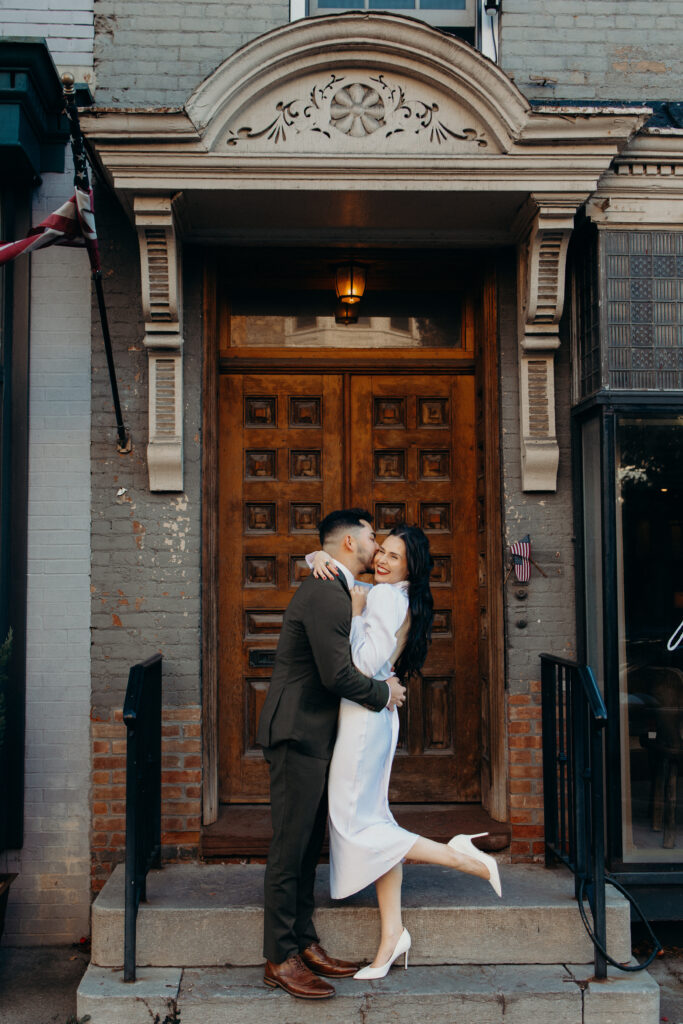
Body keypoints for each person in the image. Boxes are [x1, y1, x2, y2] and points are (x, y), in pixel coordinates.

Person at [310, 524, 502, 980]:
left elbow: (361, 665)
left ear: (408, 567)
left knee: (353, 823)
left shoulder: (380, 598)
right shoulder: (400, 596)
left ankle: (459, 855)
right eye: (383, 552)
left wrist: (355, 613)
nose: (382, 560)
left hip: (362, 718)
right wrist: (314, 556)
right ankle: (392, 934)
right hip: (375, 718)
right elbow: (337, 571)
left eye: (394, 557)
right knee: (373, 821)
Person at [256, 509, 407, 1000]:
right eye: (370, 537)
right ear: (347, 543)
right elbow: (336, 674)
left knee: (303, 847)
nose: (375, 545)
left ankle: (302, 942)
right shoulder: (325, 591)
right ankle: (279, 958)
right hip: (297, 733)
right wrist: (385, 694)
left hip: (314, 736)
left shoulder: (334, 584)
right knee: (289, 849)